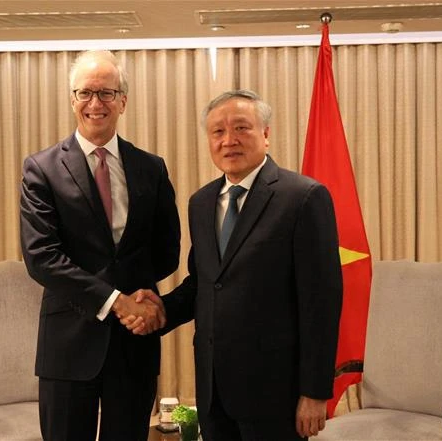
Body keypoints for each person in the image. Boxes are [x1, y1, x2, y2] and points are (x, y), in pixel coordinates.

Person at [125, 90, 343, 440]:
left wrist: (315, 392)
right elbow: (204, 283)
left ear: (266, 134)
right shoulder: (201, 202)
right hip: (214, 391)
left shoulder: (303, 197)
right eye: (218, 132)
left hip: (276, 393)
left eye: (241, 128)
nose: (229, 141)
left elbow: (322, 302)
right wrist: (159, 310)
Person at [19, 50, 180, 441]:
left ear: (123, 101)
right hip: (69, 343)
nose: (96, 103)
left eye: (107, 93)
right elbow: (42, 258)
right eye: (86, 93)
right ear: (72, 100)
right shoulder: (41, 168)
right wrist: (115, 301)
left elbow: (167, 249)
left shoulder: (151, 167)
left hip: (134, 341)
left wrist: (137, 303)